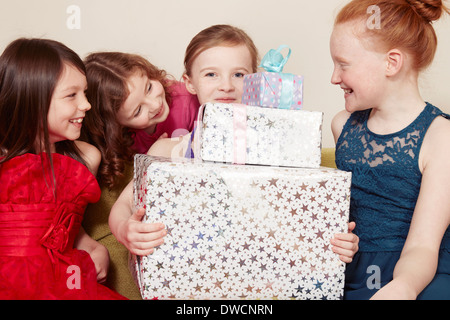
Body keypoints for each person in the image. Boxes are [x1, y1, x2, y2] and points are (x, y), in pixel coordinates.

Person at [110, 24, 358, 264]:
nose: (226, 85)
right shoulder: (167, 150)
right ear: (189, 83)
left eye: (238, 74)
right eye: (211, 74)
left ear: (255, 80)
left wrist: (334, 237)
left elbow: (304, 213)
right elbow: (123, 205)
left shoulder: (280, 148)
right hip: (194, 276)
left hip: (261, 275)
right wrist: (124, 229)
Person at [330, 0, 450, 299]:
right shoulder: (342, 126)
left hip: (420, 274)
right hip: (352, 273)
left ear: (391, 63)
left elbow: (423, 245)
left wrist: (403, 288)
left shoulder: (441, 137)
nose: (334, 77)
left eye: (343, 64)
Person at [0, 38, 125, 299]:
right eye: (72, 95)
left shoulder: (85, 158)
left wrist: (93, 247)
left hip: (65, 284)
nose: (86, 105)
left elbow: (66, 228)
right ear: (32, 99)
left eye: (86, 93)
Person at [80, 52, 200, 190]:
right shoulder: (119, 141)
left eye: (149, 88)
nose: (155, 105)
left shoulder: (187, 98)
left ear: (148, 73)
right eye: (137, 111)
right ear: (116, 125)